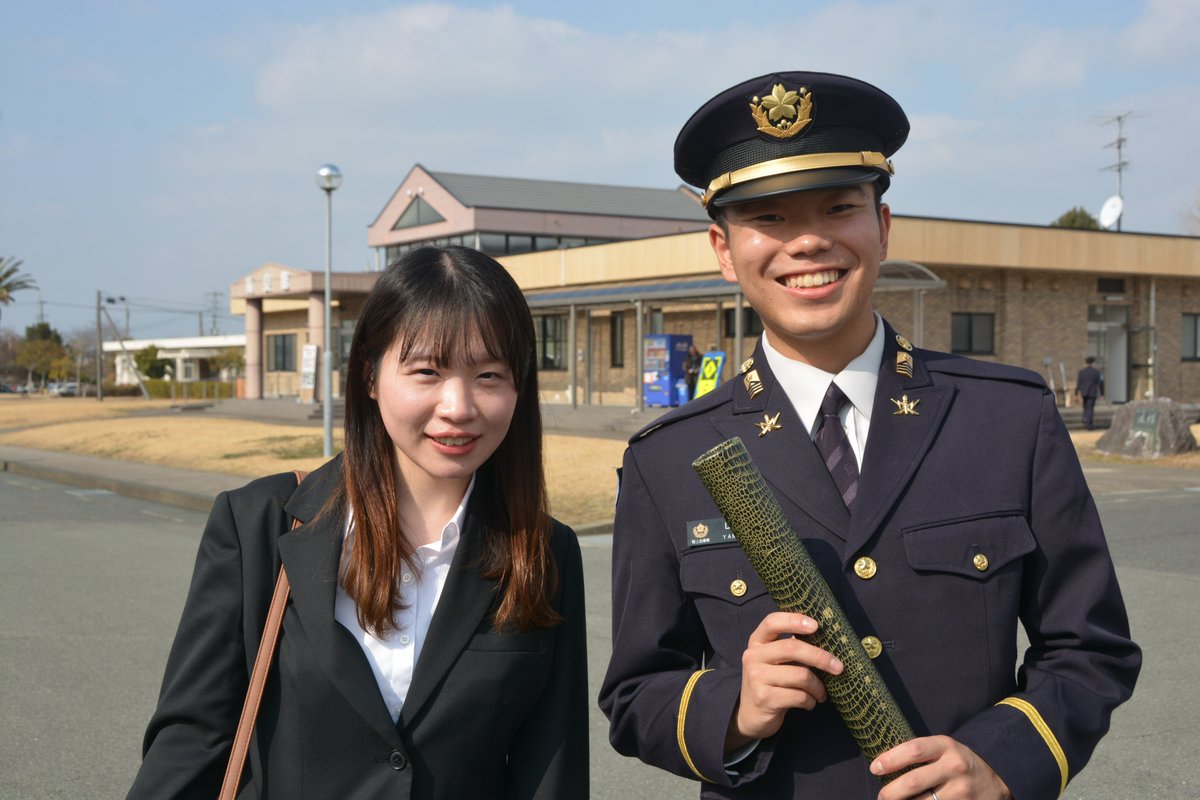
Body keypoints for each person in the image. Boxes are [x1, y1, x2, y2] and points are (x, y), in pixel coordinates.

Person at [599, 71, 1139, 800]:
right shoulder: (669, 460)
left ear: (882, 227)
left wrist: (1005, 758)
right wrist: (735, 707)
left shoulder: (1007, 420)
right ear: (724, 250)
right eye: (770, 218)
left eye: (838, 208)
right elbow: (637, 694)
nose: (810, 242)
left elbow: (1090, 648)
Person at [130, 246, 589, 799]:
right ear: (369, 375)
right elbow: (193, 738)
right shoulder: (257, 524)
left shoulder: (544, 550)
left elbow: (551, 769)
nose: (459, 406)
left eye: (489, 374)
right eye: (427, 371)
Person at [1076, 356, 1104, 430]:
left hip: (1083, 392)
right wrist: (1102, 393)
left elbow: (1078, 383)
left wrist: (1076, 392)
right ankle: (1089, 424)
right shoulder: (1096, 372)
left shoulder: (1081, 372)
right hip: (1092, 392)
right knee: (1090, 408)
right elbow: (1100, 383)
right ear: (1093, 363)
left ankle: (1085, 417)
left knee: (1085, 406)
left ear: (1086, 362)